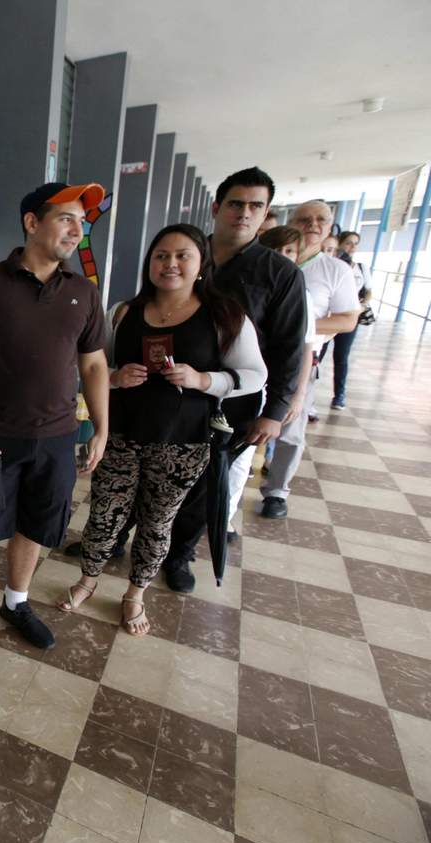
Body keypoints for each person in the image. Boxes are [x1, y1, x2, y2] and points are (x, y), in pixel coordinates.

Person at [63, 225, 266, 635]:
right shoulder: (123, 312)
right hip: (121, 434)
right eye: (161, 255)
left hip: (183, 442)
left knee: (158, 522)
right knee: (103, 513)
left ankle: (135, 594)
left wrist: (204, 380)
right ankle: (87, 580)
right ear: (149, 263)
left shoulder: (225, 316)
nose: (170, 264)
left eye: (182, 255)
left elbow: (255, 374)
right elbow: (95, 366)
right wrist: (116, 377)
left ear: (200, 264)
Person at [0, 182, 111, 650]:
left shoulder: (83, 292)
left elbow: (93, 364)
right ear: (32, 222)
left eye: (81, 222)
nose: (77, 230)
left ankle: (16, 601)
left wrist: (101, 427)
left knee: (35, 522)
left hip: (56, 435)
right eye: (66, 218)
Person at [157, 167, 308, 592]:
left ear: (266, 213)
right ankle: (119, 539)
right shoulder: (187, 254)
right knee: (152, 466)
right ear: (216, 207)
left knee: (206, 481)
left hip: (233, 399)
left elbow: (289, 348)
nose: (244, 213)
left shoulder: (280, 274)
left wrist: (274, 412)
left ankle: (179, 554)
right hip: (171, 388)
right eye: (236, 204)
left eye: (255, 206)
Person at [259, 200, 360, 517]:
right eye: (304, 219)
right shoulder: (265, 261)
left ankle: (277, 491)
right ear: (291, 223)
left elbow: (348, 319)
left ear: (330, 226)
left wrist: (296, 326)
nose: (313, 225)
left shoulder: (335, 270)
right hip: (256, 355)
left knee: (290, 426)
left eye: (321, 220)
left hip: (301, 360)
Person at [329, 231, 370, 410]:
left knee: (341, 356)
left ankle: (339, 394)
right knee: (316, 356)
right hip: (328, 316)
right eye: (348, 243)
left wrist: (361, 306)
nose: (352, 247)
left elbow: (368, 290)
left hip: (348, 318)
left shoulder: (361, 268)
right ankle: (308, 399)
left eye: (355, 243)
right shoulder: (332, 265)